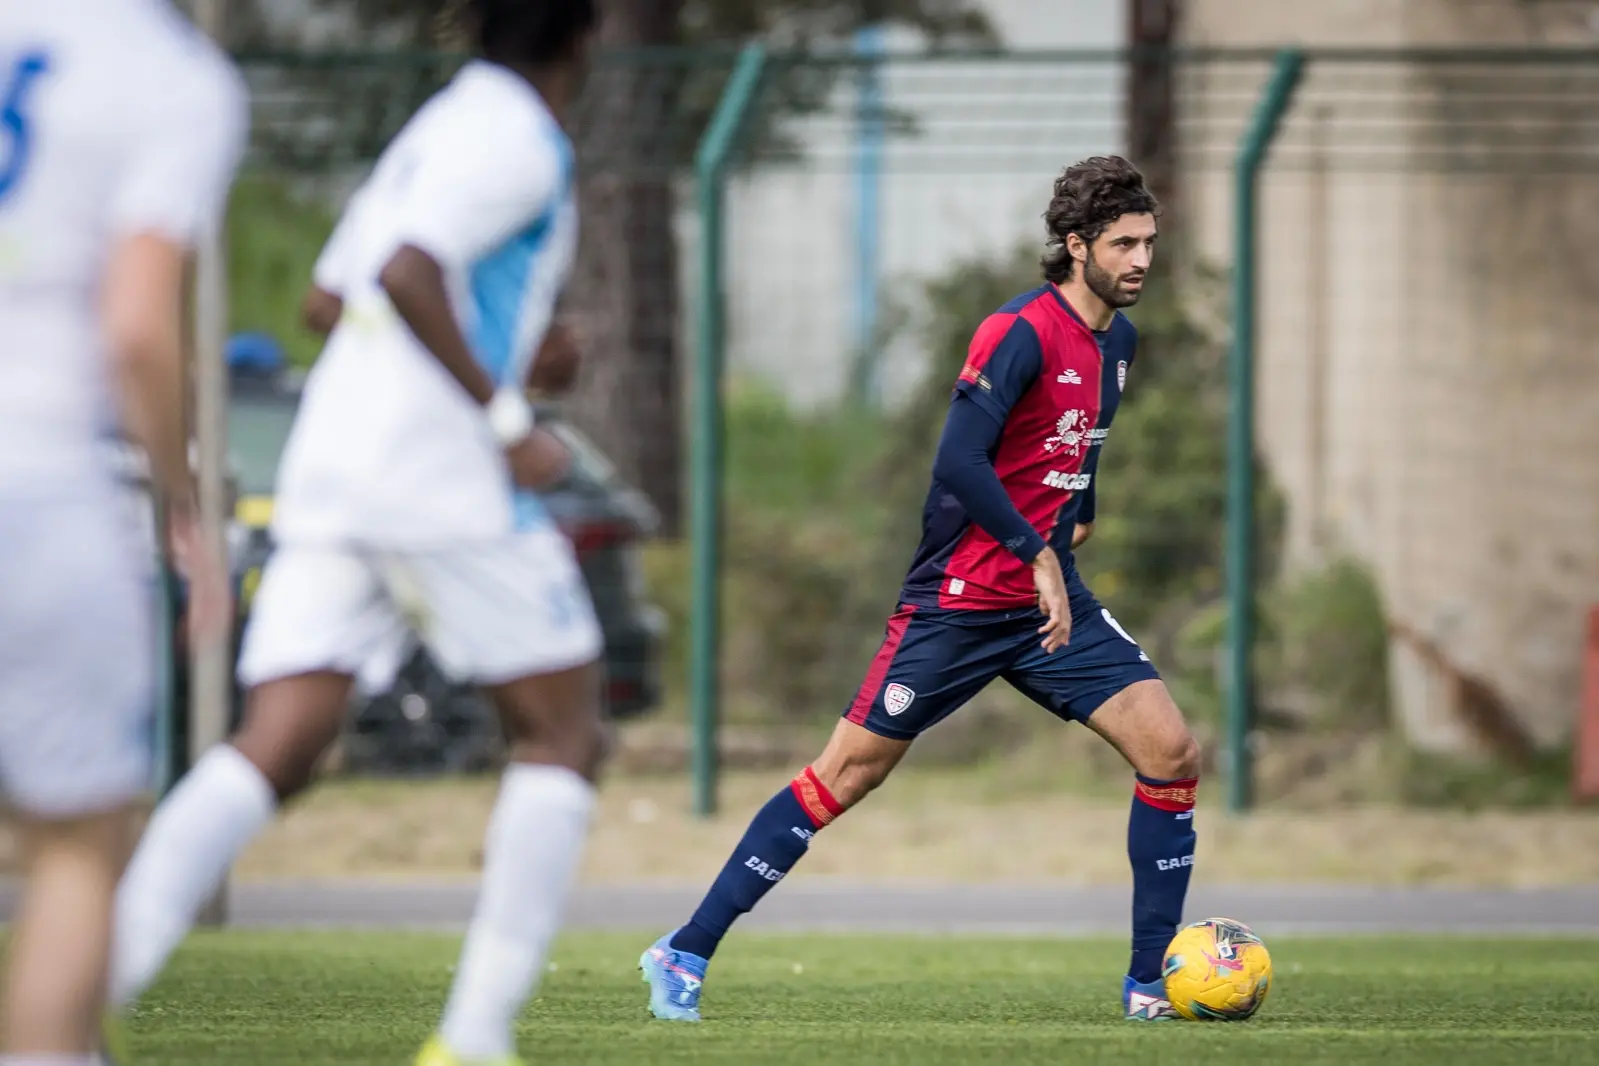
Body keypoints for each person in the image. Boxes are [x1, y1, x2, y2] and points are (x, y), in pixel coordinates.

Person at [108, 3, 606, 1064]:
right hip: (438, 478)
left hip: (335, 464)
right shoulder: (522, 136)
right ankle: (475, 1039)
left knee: (277, 742)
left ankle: (79, 1001)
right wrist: (509, 416)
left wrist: (504, 359)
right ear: (588, 34)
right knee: (565, 730)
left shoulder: (439, 123)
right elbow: (406, 274)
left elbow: (327, 298)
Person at [640, 155, 1201, 1024]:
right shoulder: (1015, 331)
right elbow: (957, 461)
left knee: (1170, 755)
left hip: (1049, 608)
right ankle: (683, 950)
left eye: (1149, 243)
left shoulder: (1117, 344)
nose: (1139, 261)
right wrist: (1033, 549)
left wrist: (1073, 521)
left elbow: (1077, 447)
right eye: (1122, 243)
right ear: (1073, 244)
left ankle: (1147, 985)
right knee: (844, 776)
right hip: (960, 601)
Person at [0, 3, 247, 1064]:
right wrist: (179, 500)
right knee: (74, 849)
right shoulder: (171, 77)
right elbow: (139, 325)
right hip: (42, 476)